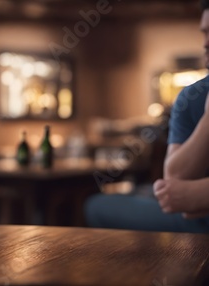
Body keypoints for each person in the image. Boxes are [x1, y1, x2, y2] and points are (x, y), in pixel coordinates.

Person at [84, 0, 209, 233]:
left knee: (97, 206)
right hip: (193, 218)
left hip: (198, 221)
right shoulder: (192, 97)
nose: (207, 44)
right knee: (98, 205)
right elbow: (175, 189)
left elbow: (184, 198)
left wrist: (200, 195)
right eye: (205, 33)